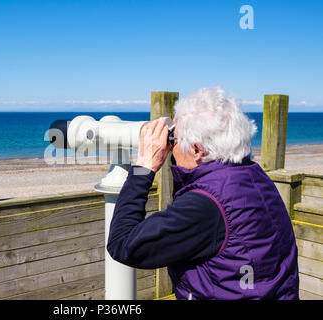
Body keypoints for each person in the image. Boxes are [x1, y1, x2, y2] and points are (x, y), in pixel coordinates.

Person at [106, 87, 299, 300]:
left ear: (197, 150)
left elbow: (123, 244)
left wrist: (143, 167)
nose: (169, 147)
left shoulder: (206, 205)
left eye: (173, 140)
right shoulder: (254, 177)